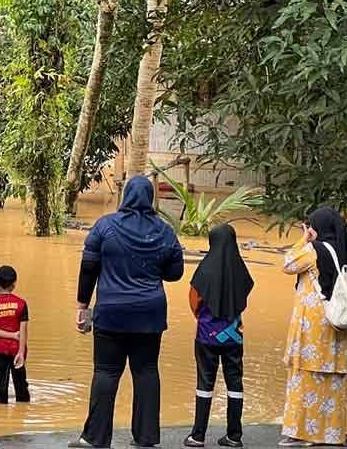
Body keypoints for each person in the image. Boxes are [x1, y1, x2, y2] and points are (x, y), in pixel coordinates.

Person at [71, 175, 185, 449]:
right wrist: (152, 268)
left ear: (126, 197)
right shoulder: (164, 231)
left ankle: (95, 438)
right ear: (151, 198)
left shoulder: (104, 226)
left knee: (106, 372)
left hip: (111, 313)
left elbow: (88, 268)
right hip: (150, 314)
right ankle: (146, 438)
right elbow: (175, 272)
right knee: (146, 372)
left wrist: (82, 306)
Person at [279, 207, 347, 448]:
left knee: (304, 376)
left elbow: (288, 263)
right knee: (333, 380)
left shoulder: (314, 250)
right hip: (338, 321)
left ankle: (301, 433)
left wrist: (304, 238)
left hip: (313, 324)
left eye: (312, 225)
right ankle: (332, 435)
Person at [184, 223, 254, 449]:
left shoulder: (204, 269)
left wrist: (205, 318)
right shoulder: (240, 269)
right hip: (234, 336)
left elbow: (194, 300)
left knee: (205, 382)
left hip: (207, 336)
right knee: (235, 383)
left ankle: (198, 436)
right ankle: (234, 436)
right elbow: (244, 296)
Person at [0, 265, 30, 405]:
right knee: (21, 384)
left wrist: (10, 335)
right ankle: (23, 411)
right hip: (17, 350)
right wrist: (21, 351)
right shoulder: (21, 304)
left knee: (1, 384)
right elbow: (23, 330)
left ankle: (1, 410)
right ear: (14, 283)